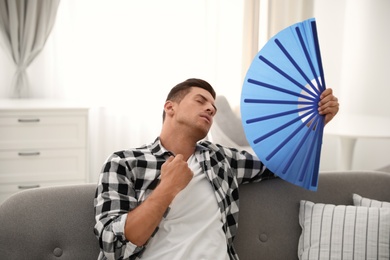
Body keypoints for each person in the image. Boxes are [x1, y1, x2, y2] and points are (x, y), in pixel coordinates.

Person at [94, 78, 339, 260]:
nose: (211, 108)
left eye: (213, 106)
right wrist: (167, 188)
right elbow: (113, 246)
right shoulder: (124, 162)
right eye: (200, 100)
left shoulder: (219, 159)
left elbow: (279, 162)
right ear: (170, 107)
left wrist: (315, 122)